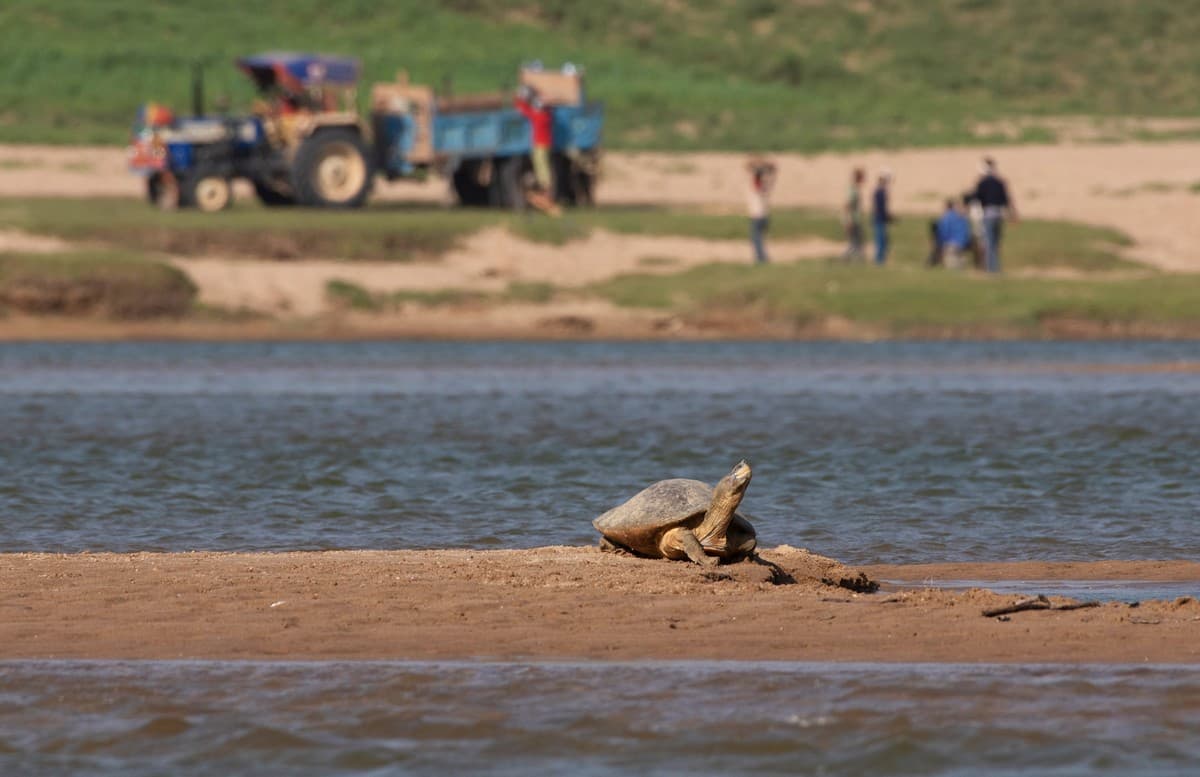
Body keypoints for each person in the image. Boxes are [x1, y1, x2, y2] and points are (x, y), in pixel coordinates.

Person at [514, 85, 559, 214]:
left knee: (541, 166)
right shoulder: (547, 115)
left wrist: (520, 98)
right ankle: (545, 191)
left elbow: (523, 110)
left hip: (540, 145)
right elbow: (547, 108)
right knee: (543, 166)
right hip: (546, 144)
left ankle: (545, 191)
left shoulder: (537, 116)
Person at [973, 157, 1017, 273]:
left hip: (988, 214)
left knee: (989, 242)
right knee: (996, 242)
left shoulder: (982, 183)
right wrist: (1013, 214)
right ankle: (995, 267)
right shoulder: (1000, 182)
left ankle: (991, 269)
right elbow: (1007, 199)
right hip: (999, 214)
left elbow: (976, 198)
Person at [746, 158, 776, 264]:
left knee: (756, 239)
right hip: (765, 216)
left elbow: (749, 167)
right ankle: (762, 258)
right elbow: (772, 174)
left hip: (757, 216)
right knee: (760, 238)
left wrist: (760, 166)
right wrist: (766, 167)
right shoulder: (766, 186)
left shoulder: (757, 187)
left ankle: (761, 259)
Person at [935, 198, 973, 269]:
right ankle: (961, 260)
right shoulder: (962, 217)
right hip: (964, 244)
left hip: (952, 245)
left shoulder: (947, 217)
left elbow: (943, 233)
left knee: (952, 266)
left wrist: (940, 244)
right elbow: (967, 232)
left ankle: (958, 262)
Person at [843, 168, 865, 261]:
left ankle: (858, 259)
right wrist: (849, 220)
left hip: (855, 219)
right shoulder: (853, 190)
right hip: (852, 220)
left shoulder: (854, 189)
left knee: (857, 242)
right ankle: (845, 258)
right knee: (855, 242)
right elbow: (847, 206)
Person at [871, 171, 893, 265]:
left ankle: (880, 260)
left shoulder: (879, 191)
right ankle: (879, 261)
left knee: (883, 240)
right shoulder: (880, 192)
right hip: (879, 219)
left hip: (880, 219)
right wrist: (888, 217)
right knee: (880, 241)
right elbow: (881, 208)